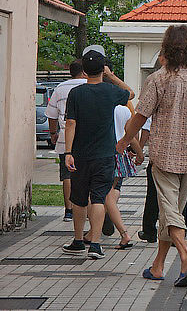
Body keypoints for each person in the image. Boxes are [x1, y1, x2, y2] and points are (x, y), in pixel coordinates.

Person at [117, 24, 187, 287]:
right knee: (171, 212)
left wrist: (124, 141)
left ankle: (186, 257)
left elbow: (140, 117)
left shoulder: (158, 79)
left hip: (163, 155)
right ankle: (158, 266)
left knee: (170, 213)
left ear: (166, 48)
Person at [62, 45, 134, 260]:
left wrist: (68, 152)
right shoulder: (111, 91)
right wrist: (111, 77)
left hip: (80, 154)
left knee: (79, 199)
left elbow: (71, 123)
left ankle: (77, 241)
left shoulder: (76, 93)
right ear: (103, 69)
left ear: (83, 71)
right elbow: (130, 93)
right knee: (99, 199)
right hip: (105, 155)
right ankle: (95, 244)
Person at [45, 60, 87, 222]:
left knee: (67, 175)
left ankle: (69, 211)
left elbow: (52, 115)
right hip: (87, 139)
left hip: (64, 139)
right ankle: (87, 209)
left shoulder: (60, 88)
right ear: (84, 71)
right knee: (86, 175)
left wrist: (53, 133)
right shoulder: (90, 86)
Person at [138, 114, 187, 244]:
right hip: (183, 159)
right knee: (181, 198)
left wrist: (139, 149)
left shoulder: (158, 107)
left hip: (161, 159)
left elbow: (146, 129)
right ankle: (180, 233)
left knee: (154, 196)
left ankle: (150, 231)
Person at [103, 103, 144, 249]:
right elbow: (130, 135)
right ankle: (99, 224)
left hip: (100, 154)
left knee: (102, 196)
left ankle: (123, 233)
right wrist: (139, 153)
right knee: (113, 189)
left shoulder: (99, 106)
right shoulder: (124, 110)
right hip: (119, 153)